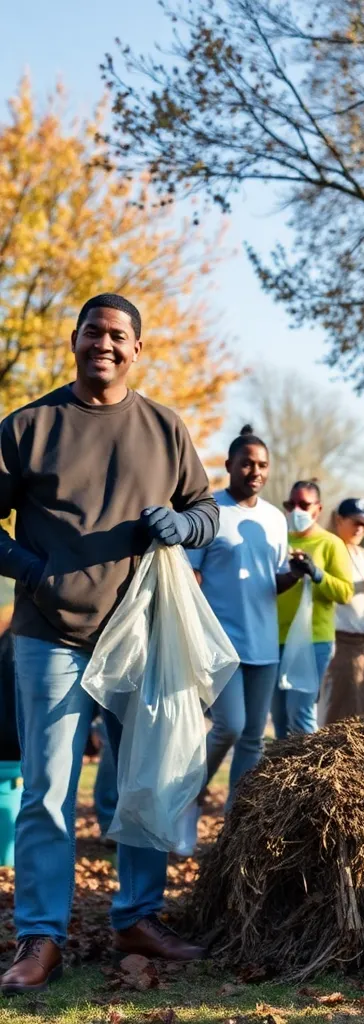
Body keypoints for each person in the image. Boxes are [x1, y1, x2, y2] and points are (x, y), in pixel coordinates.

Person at [0, 293, 217, 993]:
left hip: (144, 637)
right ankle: (40, 937)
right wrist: (26, 569)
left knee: (143, 781)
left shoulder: (164, 428)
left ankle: (137, 916)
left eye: (119, 334)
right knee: (48, 789)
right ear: (73, 340)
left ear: (137, 349)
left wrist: (186, 529)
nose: (106, 343)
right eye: (94, 330)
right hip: (49, 636)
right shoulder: (29, 426)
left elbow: (206, 508)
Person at [189, 426, 305, 807]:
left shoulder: (275, 519)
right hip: (221, 642)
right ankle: (185, 794)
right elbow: (190, 576)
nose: (255, 471)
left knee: (254, 736)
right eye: (247, 464)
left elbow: (270, 581)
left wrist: (296, 574)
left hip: (264, 644)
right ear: (229, 466)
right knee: (229, 727)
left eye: (263, 465)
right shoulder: (209, 512)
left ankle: (235, 821)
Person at [272, 481, 354, 737]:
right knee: (280, 719)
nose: (297, 510)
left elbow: (344, 592)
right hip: (274, 638)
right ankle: (282, 775)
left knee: (301, 713)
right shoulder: (277, 538)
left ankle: (312, 772)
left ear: (317, 509)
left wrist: (317, 574)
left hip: (313, 641)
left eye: (304, 505)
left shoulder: (330, 543)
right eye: (291, 504)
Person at [322, 497, 364, 721]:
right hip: (341, 641)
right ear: (339, 520)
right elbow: (330, 590)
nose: (361, 528)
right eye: (355, 522)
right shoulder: (331, 548)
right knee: (344, 714)